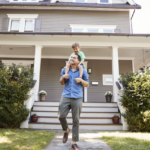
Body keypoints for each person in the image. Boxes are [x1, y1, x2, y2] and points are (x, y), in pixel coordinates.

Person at [59, 54, 89, 150]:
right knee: (61, 116)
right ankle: (66, 130)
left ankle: (74, 143)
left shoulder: (82, 71)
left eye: (74, 58)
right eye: (71, 57)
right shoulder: (65, 69)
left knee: (76, 120)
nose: (72, 58)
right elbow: (61, 82)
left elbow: (87, 83)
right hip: (66, 96)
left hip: (77, 97)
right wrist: (63, 77)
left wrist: (81, 80)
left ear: (78, 61)